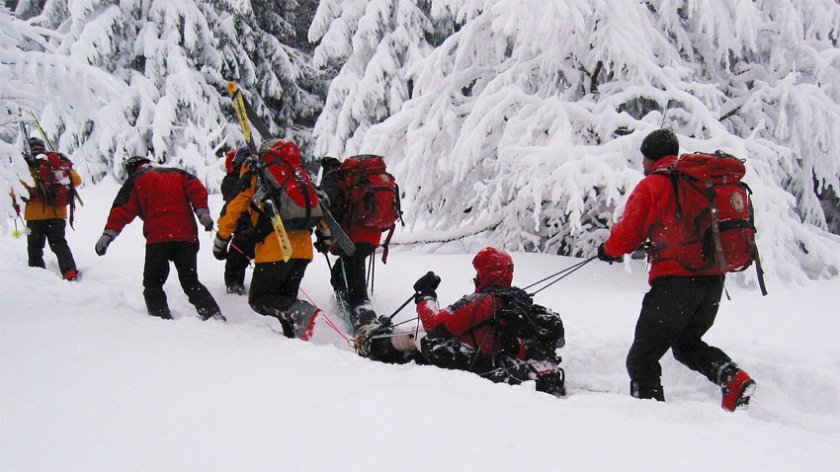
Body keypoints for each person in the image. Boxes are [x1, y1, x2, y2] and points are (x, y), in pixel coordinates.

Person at [596, 128, 756, 411]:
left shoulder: (655, 184)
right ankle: (733, 378)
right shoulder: (696, 182)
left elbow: (628, 234)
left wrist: (608, 250)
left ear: (650, 157)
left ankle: (651, 418)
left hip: (675, 284)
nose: (642, 164)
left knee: (641, 359)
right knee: (686, 344)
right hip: (712, 282)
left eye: (644, 158)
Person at [412, 247, 566, 396]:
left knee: (422, 341)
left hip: (476, 366)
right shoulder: (516, 299)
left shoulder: (482, 302)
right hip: (502, 363)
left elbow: (434, 327)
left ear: (485, 272)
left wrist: (425, 296)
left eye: (478, 272)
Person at [214, 139, 326, 337]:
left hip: (276, 246)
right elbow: (319, 208)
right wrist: (325, 236)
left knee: (259, 298)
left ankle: (299, 316)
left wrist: (221, 240)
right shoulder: (297, 176)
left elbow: (232, 209)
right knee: (286, 301)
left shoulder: (255, 175)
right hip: (303, 248)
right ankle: (294, 341)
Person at [94, 156, 224, 322]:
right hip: (186, 237)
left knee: (153, 283)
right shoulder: (177, 174)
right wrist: (202, 213)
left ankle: (160, 319)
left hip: (158, 240)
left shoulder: (137, 180)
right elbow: (196, 188)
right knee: (190, 281)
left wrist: (108, 235)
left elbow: (122, 209)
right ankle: (213, 314)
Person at [318, 155, 414, 363]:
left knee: (353, 283)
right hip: (372, 234)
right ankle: (355, 308)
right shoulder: (360, 178)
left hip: (351, 236)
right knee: (347, 271)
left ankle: (364, 320)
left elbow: (331, 209)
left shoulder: (335, 178)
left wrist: (326, 238)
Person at [19, 137, 81, 281]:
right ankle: (69, 272)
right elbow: (77, 180)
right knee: (59, 243)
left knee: (35, 248)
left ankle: (37, 277)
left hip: (35, 217)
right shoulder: (56, 162)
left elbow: (18, 188)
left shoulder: (28, 165)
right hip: (57, 214)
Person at [217, 147, 255, 295]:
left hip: (244, 230)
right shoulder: (260, 177)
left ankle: (235, 291)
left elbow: (233, 207)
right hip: (263, 230)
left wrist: (222, 240)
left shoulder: (233, 181)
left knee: (235, 263)